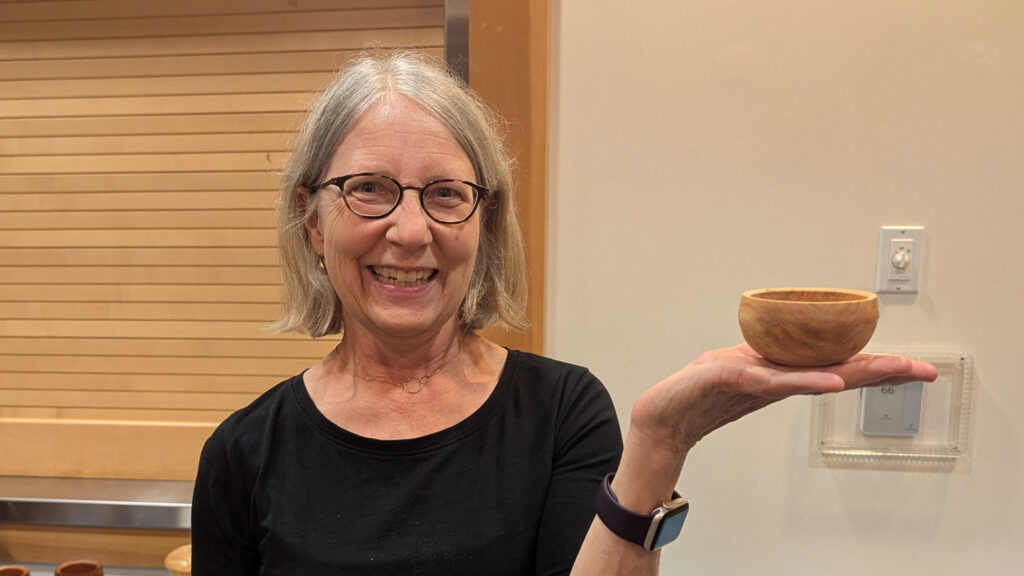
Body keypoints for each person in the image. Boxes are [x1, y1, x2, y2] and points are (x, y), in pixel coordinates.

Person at [191, 50, 936, 576]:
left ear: (485, 226)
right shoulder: (244, 454)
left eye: (446, 194)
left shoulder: (560, 412)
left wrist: (660, 443)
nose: (412, 230)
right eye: (369, 189)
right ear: (313, 221)